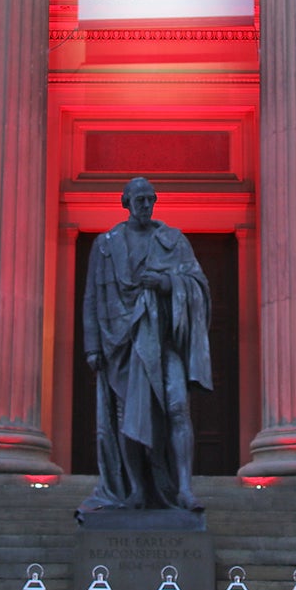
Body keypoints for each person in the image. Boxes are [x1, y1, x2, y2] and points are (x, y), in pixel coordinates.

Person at [81, 176, 211, 514]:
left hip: (162, 341)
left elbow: (198, 284)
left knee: (178, 406)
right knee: (127, 418)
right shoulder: (106, 245)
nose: (145, 205)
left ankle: (183, 488)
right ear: (125, 202)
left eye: (150, 199)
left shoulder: (172, 241)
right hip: (120, 346)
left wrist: (167, 283)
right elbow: (92, 298)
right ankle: (136, 488)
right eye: (138, 200)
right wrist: (92, 346)